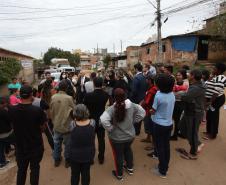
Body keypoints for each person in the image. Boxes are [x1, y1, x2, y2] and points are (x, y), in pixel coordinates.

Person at [100, 88, 145, 181]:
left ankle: (119, 174)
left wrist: (110, 128)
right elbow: (142, 112)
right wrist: (134, 121)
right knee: (128, 150)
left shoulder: (112, 109)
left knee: (118, 155)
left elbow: (103, 119)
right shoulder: (132, 105)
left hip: (117, 138)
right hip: (130, 136)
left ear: (114, 97)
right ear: (125, 96)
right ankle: (130, 168)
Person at [8, 85, 47, 185]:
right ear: (31, 95)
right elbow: (43, 128)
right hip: (35, 146)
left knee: (21, 170)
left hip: (20, 146)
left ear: (19, 96)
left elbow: (12, 125)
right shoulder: (37, 110)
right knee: (34, 169)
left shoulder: (12, 110)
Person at [180, 69, 205, 159]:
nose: (188, 75)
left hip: (194, 112)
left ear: (193, 76)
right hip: (190, 110)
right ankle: (196, 143)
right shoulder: (196, 85)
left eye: (189, 74)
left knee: (192, 132)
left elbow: (186, 97)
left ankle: (193, 152)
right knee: (182, 128)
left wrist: (179, 94)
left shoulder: (196, 87)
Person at [50, 80, 75, 168]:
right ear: (67, 88)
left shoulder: (53, 97)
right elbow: (74, 111)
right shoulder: (69, 98)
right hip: (66, 125)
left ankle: (57, 159)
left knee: (56, 143)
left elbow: (51, 111)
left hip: (56, 124)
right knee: (67, 144)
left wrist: (53, 121)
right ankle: (67, 160)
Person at [84, 77, 109, 164]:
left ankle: (90, 158)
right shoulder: (106, 95)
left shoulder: (88, 95)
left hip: (91, 120)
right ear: (102, 84)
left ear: (93, 84)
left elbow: (85, 107)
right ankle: (101, 158)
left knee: (90, 140)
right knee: (101, 139)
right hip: (101, 119)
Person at [69, 104, 95, 185]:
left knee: (74, 175)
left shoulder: (72, 124)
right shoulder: (92, 123)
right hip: (88, 154)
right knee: (86, 174)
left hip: (74, 155)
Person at [205, 63, 226, 139]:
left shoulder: (220, 78)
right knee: (210, 115)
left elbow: (216, 92)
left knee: (214, 116)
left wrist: (210, 102)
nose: (213, 70)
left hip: (217, 99)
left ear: (219, 70)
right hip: (213, 99)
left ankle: (213, 134)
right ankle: (209, 131)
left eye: (214, 69)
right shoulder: (216, 77)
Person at [171, 69, 189, 140]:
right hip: (176, 102)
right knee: (176, 118)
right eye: (177, 75)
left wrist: (174, 92)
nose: (178, 76)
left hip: (180, 102)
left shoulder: (185, 83)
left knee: (177, 119)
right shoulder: (178, 82)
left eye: (180, 75)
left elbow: (182, 93)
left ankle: (175, 135)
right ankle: (176, 133)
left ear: (183, 75)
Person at [140, 75, 158, 145]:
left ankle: (153, 144)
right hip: (151, 109)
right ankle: (148, 138)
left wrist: (141, 104)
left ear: (150, 80)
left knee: (149, 125)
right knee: (150, 125)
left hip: (149, 110)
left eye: (147, 79)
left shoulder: (152, 90)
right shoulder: (153, 88)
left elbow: (147, 101)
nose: (146, 81)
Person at [131, 63, 148, 135]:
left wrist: (131, 98)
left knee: (135, 115)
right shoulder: (144, 76)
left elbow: (134, 90)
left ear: (136, 69)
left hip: (136, 99)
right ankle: (137, 130)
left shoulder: (136, 77)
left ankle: (136, 130)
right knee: (139, 114)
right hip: (142, 98)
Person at [0, 97, 14, 169]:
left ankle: (2, 162)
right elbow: (10, 119)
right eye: (5, 103)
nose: (6, 104)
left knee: (1, 149)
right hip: (7, 133)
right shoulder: (3, 111)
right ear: (2, 104)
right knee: (16, 143)